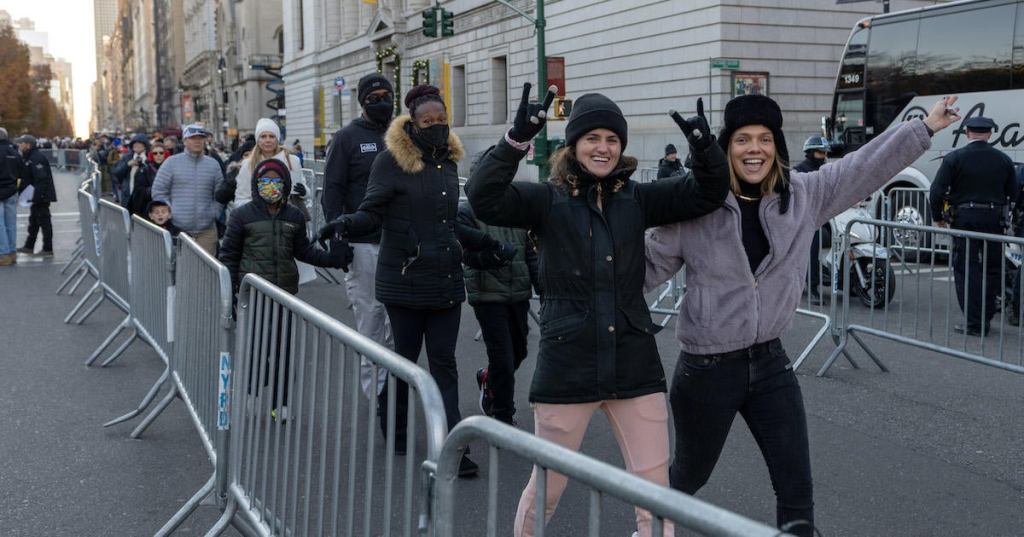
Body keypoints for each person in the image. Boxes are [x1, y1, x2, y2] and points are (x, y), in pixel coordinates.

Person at [644, 94, 960, 536]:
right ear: (726, 146)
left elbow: (862, 165)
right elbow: (645, 269)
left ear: (776, 146)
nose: (754, 149)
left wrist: (923, 128)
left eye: (764, 139)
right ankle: (647, 528)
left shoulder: (804, 194)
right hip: (707, 368)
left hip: (771, 364)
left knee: (796, 488)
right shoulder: (696, 204)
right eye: (742, 139)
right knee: (687, 477)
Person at [467, 84, 730, 537]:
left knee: (655, 496)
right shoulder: (546, 201)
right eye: (592, 139)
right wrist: (515, 141)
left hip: (634, 363)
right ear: (573, 146)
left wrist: (705, 148)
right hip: (567, 363)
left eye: (611, 139)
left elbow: (707, 192)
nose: (602, 148)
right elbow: (483, 196)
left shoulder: (639, 198)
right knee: (546, 489)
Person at [318, 84, 485, 477]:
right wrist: (341, 225)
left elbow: (450, 221)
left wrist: (484, 246)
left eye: (442, 120)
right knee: (403, 362)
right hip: (403, 282)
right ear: (413, 124)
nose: (437, 127)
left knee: (444, 364)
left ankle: (452, 449)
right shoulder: (390, 162)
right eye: (428, 121)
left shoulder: (448, 164)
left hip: (444, 281)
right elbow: (371, 213)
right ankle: (394, 424)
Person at [219, 158, 344, 419]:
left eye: (276, 182)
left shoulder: (294, 216)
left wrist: (332, 259)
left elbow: (304, 251)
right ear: (256, 185)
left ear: (285, 185)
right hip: (252, 295)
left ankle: (281, 404)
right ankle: (251, 396)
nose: (270, 187)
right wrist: (229, 291)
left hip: (285, 295)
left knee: (283, 352)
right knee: (254, 350)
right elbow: (229, 255)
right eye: (264, 182)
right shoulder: (242, 215)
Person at [322, 73, 397, 401]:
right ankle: (376, 396)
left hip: (400, 243)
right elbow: (333, 190)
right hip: (363, 243)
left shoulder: (403, 133)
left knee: (399, 326)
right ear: (362, 101)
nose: (381, 100)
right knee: (371, 322)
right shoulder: (346, 138)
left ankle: (397, 393)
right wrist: (338, 236)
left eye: (387, 94)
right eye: (373, 96)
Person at [929, 116, 1017, 336]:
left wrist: (938, 216)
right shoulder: (1004, 160)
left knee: (966, 269)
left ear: (967, 133)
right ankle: (986, 316)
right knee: (993, 268)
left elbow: (936, 191)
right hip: (994, 219)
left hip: (964, 218)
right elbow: (1013, 194)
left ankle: (974, 322)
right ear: (990, 134)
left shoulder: (954, 158)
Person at [456, 198, 538, 425]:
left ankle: (488, 378)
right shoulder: (467, 211)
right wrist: (492, 257)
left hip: (518, 292)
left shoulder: (517, 206)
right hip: (487, 295)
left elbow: (530, 251)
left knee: (519, 351)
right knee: (502, 358)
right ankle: (503, 416)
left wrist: (542, 286)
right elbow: (465, 254)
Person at [151, 124, 224, 255]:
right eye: (192, 138)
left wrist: (214, 212)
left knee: (205, 272)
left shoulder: (213, 164)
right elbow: (158, 192)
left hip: (207, 232)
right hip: (179, 231)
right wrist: (170, 212)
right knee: (181, 272)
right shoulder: (171, 163)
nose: (197, 141)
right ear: (184, 141)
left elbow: (220, 194)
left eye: (200, 138)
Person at [795, 135, 831, 304]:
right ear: (809, 152)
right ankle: (813, 287)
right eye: (819, 152)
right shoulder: (799, 170)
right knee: (813, 247)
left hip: (823, 216)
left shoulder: (825, 170)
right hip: (804, 219)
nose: (822, 156)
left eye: (824, 152)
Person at [14, 135, 57, 257]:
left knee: (44, 221)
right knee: (34, 221)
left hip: (40, 196)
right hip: (35, 195)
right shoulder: (30, 157)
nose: (19, 145)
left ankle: (47, 248)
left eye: (21, 143)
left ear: (28, 144)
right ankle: (29, 246)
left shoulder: (36, 157)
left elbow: (41, 179)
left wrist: (38, 197)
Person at [111, 134, 158, 216]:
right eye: (134, 144)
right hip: (128, 197)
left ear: (145, 146)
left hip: (145, 198)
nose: (137, 146)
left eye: (139, 144)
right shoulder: (126, 157)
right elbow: (116, 173)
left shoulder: (150, 157)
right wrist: (127, 165)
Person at [0, 128, 22, 266]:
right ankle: (12, 252)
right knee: (11, 223)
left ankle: (3, 253)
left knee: (0, 224)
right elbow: (21, 171)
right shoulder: (14, 152)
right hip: (12, 189)